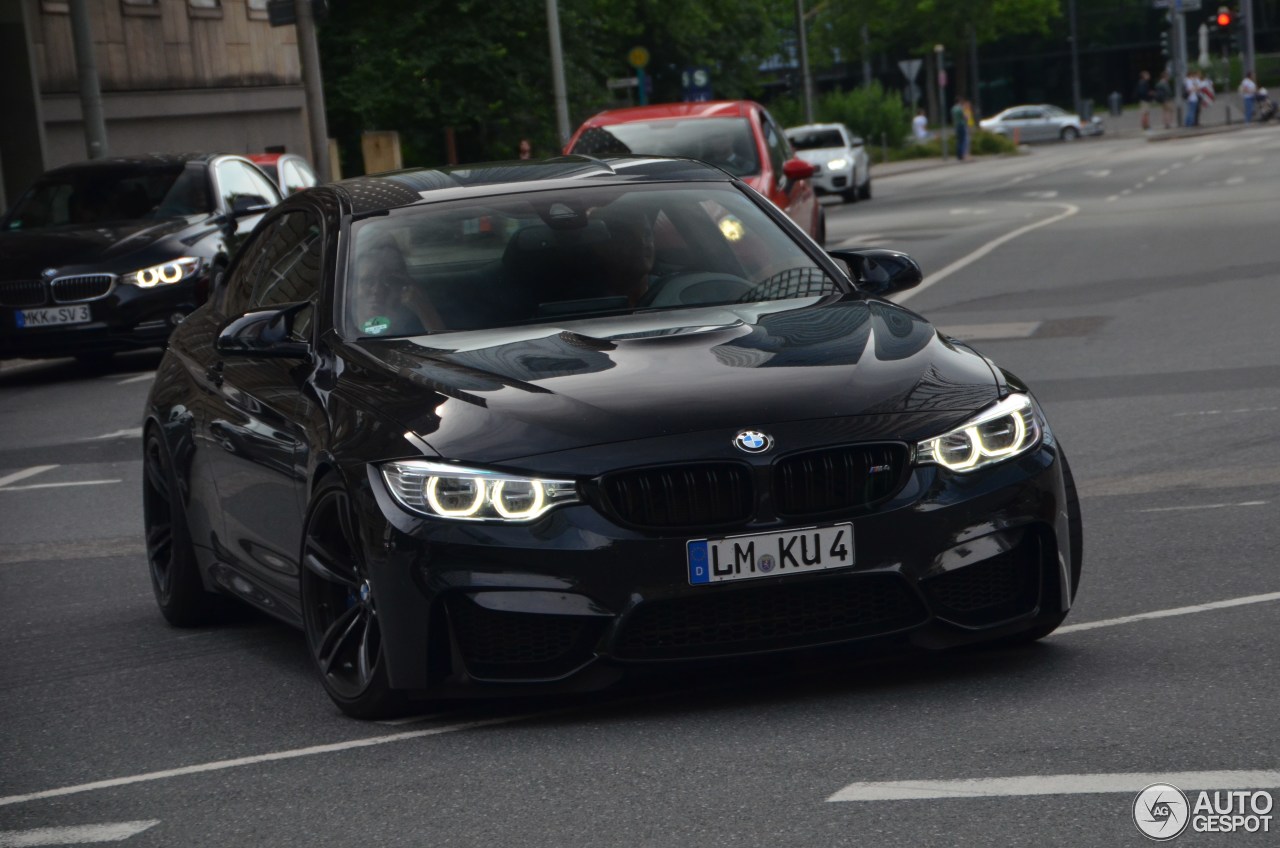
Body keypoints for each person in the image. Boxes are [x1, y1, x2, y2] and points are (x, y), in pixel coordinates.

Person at [352, 236, 443, 335]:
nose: (378, 290)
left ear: (402, 286)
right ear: (351, 289)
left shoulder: (414, 323)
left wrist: (422, 308)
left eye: (389, 280)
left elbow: (442, 343)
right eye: (368, 281)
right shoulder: (339, 325)